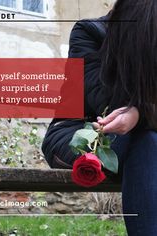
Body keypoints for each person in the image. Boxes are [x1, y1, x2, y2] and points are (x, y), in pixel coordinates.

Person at [42, 0, 157, 235]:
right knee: (147, 142)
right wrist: (142, 111)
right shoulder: (90, 33)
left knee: (148, 142)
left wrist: (140, 113)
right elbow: (104, 103)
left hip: (143, 138)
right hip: (83, 131)